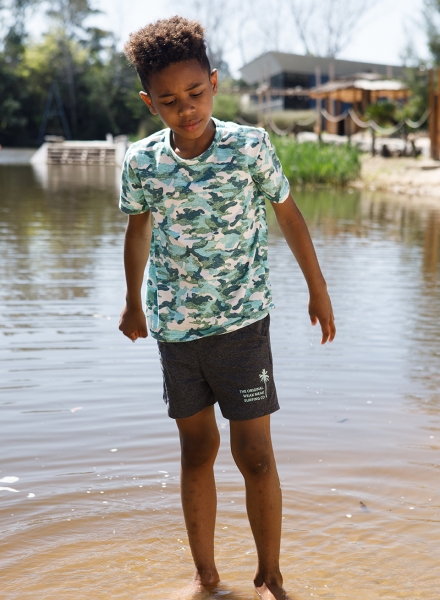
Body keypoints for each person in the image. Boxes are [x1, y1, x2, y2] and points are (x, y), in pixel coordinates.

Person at [118, 16, 335, 600]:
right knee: (197, 450)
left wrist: (317, 288)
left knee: (255, 454)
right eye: (169, 101)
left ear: (213, 83)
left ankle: (270, 576)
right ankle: (206, 576)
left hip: (243, 326)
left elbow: (288, 214)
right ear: (149, 103)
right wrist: (133, 303)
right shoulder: (142, 162)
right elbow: (138, 233)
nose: (185, 109)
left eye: (195, 93)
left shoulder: (249, 146)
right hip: (177, 330)